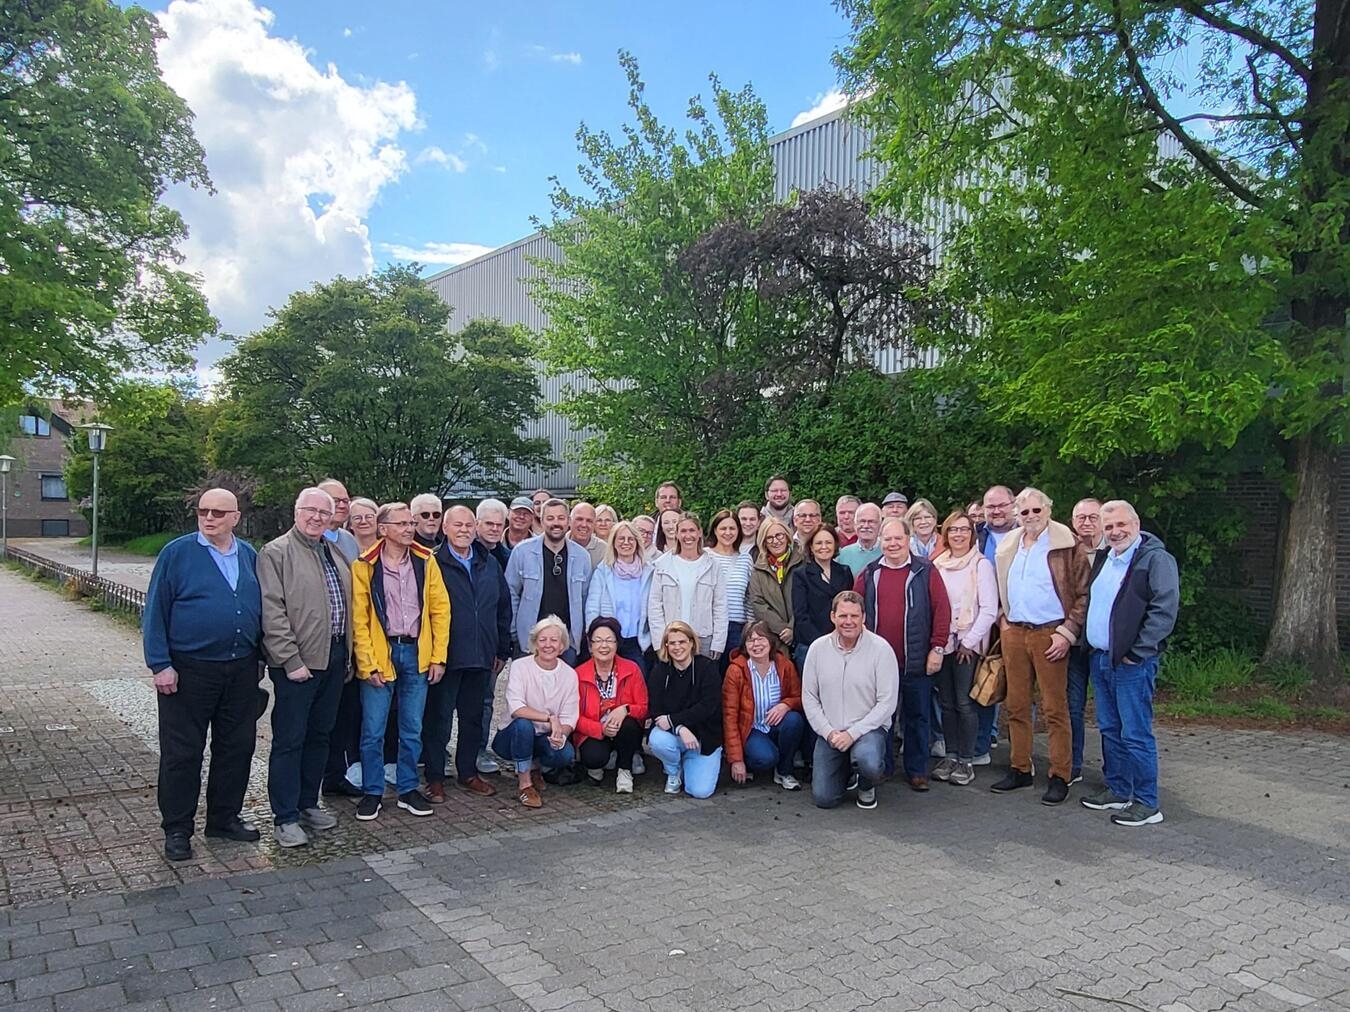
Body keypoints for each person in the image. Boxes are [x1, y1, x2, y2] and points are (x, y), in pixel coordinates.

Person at [145, 488, 263, 862]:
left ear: (235, 518)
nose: (209, 518)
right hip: (189, 670)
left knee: (237, 747)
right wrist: (160, 664)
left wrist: (259, 656)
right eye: (203, 511)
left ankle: (223, 818)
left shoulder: (248, 555)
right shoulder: (177, 554)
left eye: (217, 512)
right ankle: (177, 829)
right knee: (182, 754)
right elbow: (155, 611)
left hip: (240, 668)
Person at [258, 487, 352, 848]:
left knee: (320, 737)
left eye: (324, 513)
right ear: (296, 512)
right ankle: (285, 817)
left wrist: (350, 656)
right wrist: (289, 660)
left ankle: (309, 803)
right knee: (289, 739)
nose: (316, 517)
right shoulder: (276, 553)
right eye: (309, 510)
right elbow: (272, 610)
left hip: (334, 657)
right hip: (298, 664)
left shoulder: (334, 552)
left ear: (331, 519)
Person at [1081, 500, 1179, 827]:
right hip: (1102, 659)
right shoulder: (1106, 557)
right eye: (1108, 527)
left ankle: (1148, 803)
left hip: (1132, 663)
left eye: (1121, 525)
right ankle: (1119, 789)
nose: (1115, 531)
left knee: (1135, 732)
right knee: (1110, 727)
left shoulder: (1155, 560)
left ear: (1136, 524)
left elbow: (1163, 610)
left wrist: (1138, 652)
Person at [350, 502, 448, 821]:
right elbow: (359, 620)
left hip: (416, 652)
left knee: (412, 727)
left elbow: (440, 610)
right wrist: (367, 664)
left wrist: (438, 656)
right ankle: (372, 792)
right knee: (373, 730)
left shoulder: (425, 560)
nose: (409, 528)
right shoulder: (364, 565)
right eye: (402, 523)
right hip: (383, 652)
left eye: (411, 523)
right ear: (384, 529)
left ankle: (407, 788)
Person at [992, 487, 1089, 805]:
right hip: (1015, 633)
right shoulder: (1010, 544)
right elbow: (1003, 584)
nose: (1031, 517)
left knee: (1054, 709)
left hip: (1051, 633)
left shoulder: (1066, 543)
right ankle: (1020, 768)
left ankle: (1061, 775)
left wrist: (1067, 632)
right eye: (1024, 512)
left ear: (1048, 509)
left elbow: (1084, 593)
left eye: (1037, 510)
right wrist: (1003, 616)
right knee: (1016, 706)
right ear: (1016, 515)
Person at [855, 517, 951, 789]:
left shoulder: (925, 571)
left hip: (916, 660)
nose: (893, 543)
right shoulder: (870, 572)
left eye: (898, 538)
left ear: (908, 540)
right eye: (888, 539)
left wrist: (938, 648)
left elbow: (942, 610)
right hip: (878, 663)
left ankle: (916, 770)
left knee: (918, 716)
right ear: (881, 542)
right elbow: (855, 609)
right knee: (881, 717)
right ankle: (883, 766)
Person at [424, 505, 510, 803]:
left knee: (473, 718)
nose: (463, 530)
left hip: (482, 654)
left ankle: (467, 771)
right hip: (446, 656)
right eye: (456, 525)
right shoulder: (432, 562)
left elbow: (503, 607)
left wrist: (502, 647)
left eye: (468, 525)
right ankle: (435, 777)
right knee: (439, 719)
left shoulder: (489, 563)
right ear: (444, 529)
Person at [802, 591, 899, 810]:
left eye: (854, 616)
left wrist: (853, 734)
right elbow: (809, 697)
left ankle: (866, 783)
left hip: (868, 731)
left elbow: (887, 703)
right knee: (824, 799)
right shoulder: (817, 649)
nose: (848, 622)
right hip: (832, 732)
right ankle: (847, 770)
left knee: (869, 762)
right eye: (843, 616)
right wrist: (828, 732)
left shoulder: (881, 649)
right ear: (832, 617)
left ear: (864, 617)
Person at [930, 511, 998, 787]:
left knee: (964, 703)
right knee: (945, 703)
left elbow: (989, 609)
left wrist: (968, 642)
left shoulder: (980, 565)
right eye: (953, 530)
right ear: (945, 534)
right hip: (942, 643)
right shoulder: (938, 564)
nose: (958, 535)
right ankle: (951, 754)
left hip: (967, 645)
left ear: (972, 534)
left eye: (964, 530)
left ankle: (966, 760)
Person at [494, 616, 579, 808]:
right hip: (511, 736)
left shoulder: (569, 674)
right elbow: (516, 708)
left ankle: (535, 767)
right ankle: (525, 784)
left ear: (562, 645)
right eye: (542, 640)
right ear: (535, 643)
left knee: (565, 753)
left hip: (543, 738)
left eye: (554, 640)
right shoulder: (520, 666)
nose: (548, 645)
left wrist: (560, 734)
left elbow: (569, 716)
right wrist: (549, 718)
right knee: (523, 724)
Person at [504, 498, 592, 664]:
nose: (556, 523)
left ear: (569, 521)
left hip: (567, 644)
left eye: (561, 518)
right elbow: (511, 593)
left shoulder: (582, 557)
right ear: (541, 520)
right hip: (530, 641)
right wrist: (515, 632)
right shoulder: (522, 552)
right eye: (550, 518)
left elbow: (586, 598)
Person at [722, 621, 806, 791]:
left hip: (777, 725)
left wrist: (786, 705)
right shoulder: (736, 671)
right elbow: (729, 716)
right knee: (766, 758)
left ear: (770, 641)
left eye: (761, 639)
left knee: (794, 720)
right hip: (751, 729)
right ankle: (750, 761)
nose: (756, 644)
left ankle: (784, 771)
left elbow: (799, 698)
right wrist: (736, 759)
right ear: (745, 645)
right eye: (750, 640)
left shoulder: (785, 666)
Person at [646, 622, 723, 798]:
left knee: (700, 792)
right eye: (672, 643)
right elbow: (656, 710)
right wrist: (680, 728)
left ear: (691, 643)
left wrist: (674, 720)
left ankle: (689, 762)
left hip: (704, 738)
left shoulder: (707, 668)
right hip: (676, 736)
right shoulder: (660, 671)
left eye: (682, 642)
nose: (677, 647)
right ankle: (673, 771)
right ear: (666, 645)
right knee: (658, 739)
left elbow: (708, 706)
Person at [573, 617, 648, 793]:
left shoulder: (632, 669)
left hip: (623, 728)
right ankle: (603, 760)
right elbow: (574, 716)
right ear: (590, 646)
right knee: (593, 758)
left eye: (609, 640)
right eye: (598, 641)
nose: (604, 646)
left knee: (629, 725)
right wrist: (600, 729)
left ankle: (624, 770)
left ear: (617, 644)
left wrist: (625, 709)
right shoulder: (578, 674)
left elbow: (644, 708)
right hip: (594, 729)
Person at [974, 484, 1018, 760]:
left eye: (1002, 505)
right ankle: (981, 745)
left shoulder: (1027, 536)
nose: (996, 511)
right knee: (984, 681)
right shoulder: (976, 535)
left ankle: (1019, 753)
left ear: (1013, 505)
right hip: (983, 620)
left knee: (1018, 688)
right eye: (991, 506)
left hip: (1016, 621)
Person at [649, 513, 728, 660]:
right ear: (677, 534)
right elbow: (655, 607)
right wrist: (659, 642)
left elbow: (720, 607)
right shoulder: (663, 565)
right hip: (672, 641)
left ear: (699, 533)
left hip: (703, 639)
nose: (688, 535)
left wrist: (718, 643)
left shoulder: (713, 565)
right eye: (683, 531)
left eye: (692, 530)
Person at [1066, 497, 1107, 783]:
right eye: (1081, 518)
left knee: (1109, 713)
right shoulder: (1066, 551)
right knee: (1072, 707)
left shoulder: (1116, 552)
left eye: (1093, 517)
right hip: (1074, 643)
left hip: (1104, 644)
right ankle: (1073, 764)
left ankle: (1115, 773)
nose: (1086, 522)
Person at [585, 519, 654, 676]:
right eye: (621, 539)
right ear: (613, 543)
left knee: (637, 684)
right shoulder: (603, 572)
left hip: (638, 642)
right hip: (609, 640)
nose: (626, 543)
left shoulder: (649, 572)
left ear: (637, 542)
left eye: (631, 539)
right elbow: (592, 608)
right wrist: (593, 640)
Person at [792, 524, 854, 663]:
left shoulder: (844, 572)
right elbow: (801, 615)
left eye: (828, 542)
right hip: (811, 646)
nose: (824, 546)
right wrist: (823, 644)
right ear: (811, 547)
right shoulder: (801, 575)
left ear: (835, 545)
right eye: (819, 543)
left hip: (842, 644)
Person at [748, 518, 804, 662]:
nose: (775, 541)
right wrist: (782, 630)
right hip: (774, 638)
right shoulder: (758, 569)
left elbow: (807, 598)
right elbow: (758, 603)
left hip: (801, 633)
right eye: (770, 538)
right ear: (764, 542)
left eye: (779, 535)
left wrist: (793, 628)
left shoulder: (803, 561)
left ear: (787, 536)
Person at [706, 509, 753, 673]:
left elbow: (749, 598)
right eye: (723, 528)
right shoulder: (705, 556)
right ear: (714, 530)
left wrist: (750, 627)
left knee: (733, 676)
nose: (728, 533)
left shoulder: (745, 559)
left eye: (732, 528)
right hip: (709, 626)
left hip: (736, 627)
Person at [318, 479, 360, 563]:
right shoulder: (305, 540)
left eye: (345, 501)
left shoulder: (350, 540)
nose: (342, 506)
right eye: (335, 501)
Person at [837, 502, 882, 573]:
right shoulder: (844, 554)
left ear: (880, 525)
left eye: (871, 521)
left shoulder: (886, 551)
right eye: (862, 521)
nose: (866, 526)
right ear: (855, 524)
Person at [475, 498, 512, 572]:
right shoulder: (466, 554)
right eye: (489, 524)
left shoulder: (509, 558)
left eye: (499, 525)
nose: (495, 529)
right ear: (477, 524)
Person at [570, 501, 606, 569]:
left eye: (589, 521)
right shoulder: (559, 544)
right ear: (569, 521)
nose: (584, 525)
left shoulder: (603, 550)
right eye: (579, 519)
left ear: (594, 524)